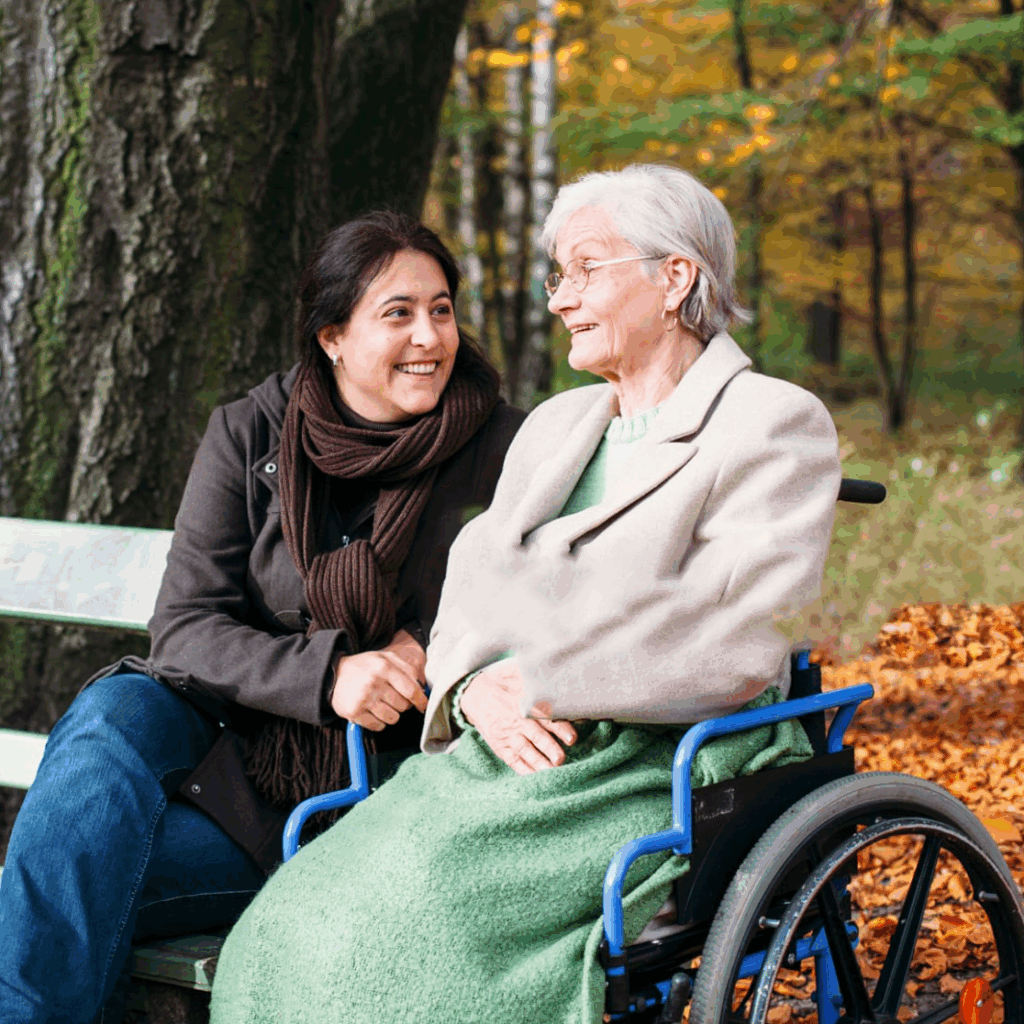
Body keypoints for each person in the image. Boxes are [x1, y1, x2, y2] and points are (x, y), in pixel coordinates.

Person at [209, 163, 843, 1024]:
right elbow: (474, 590)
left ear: (676, 277)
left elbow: (734, 638)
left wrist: (545, 676)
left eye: (585, 269)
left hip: (657, 757)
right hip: (506, 744)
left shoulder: (770, 420)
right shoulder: (556, 427)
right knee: (287, 922)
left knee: (407, 951)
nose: (560, 297)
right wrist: (473, 684)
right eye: (557, 274)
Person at [0, 211, 525, 1024]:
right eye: (398, 312)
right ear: (331, 337)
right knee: (111, 713)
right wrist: (331, 674)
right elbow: (184, 631)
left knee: (67, 882)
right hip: (222, 733)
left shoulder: (501, 449)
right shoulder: (252, 430)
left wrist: (427, 647)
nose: (431, 336)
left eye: (443, 308)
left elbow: (522, 602)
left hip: (347, 789)